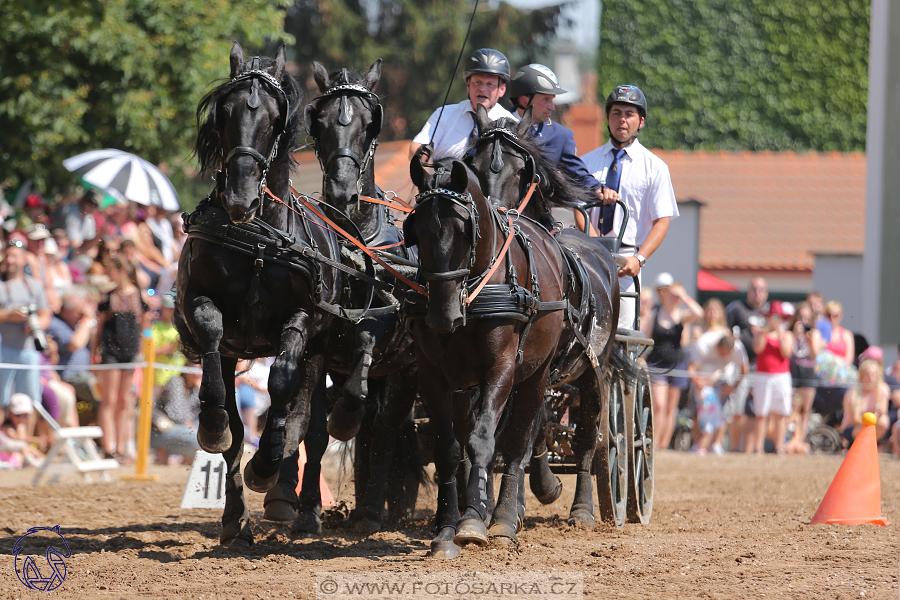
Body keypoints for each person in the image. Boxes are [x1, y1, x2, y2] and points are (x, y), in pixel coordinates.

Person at [579, 85, 679, 330]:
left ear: (641, 121)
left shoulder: (655, 168)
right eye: (616, 113)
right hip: (587, 257)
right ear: (607, 118)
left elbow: (662, 221)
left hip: (626, 262)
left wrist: (639, 258)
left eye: (629, 113)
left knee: (620, 336)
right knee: (579, 328)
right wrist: (592, 244)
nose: (621, 119)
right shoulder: (585, 162)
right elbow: (578, 208)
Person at [506, 64, 603, 203]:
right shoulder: (497, 126)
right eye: (546, 100)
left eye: (552, 99)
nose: (552, 107)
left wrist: (599, 190)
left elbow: (577, 174)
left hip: (538, 220)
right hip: (498, 216)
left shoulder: (561, 136)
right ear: (525, 100)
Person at [409, 48, 518, 161]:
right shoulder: (444, 114)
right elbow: (418, 145)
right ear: (468, 86)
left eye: (490, 84)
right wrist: (420, 160)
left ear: (502, 90)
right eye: (477, 82)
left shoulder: (511, 124)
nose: (482, 88)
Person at [92, 255, 149, 461]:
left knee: (125, 401)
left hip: (130, 351)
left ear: (121, 271)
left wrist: (141, 348)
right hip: (110, 351)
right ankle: (109, 447)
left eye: (111, 271)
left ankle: (123, 448)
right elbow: (98, 328)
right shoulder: (107, 297)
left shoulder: (139, 297)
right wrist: (95, 352)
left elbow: (144, 324)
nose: (108, 275)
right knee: (109, 400)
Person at [641, 273, 703, 450]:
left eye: (677, 295)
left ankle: (663, 444)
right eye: (671, 294)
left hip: (677, 365)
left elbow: (699, 313)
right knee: (659, 405)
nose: (674, 298)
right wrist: (640, 361)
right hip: (656, 364)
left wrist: (684, 296)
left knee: (671, 408)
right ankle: (654, 441)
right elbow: (645, 338)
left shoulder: (682, 315)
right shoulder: (655, 313)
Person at [0, 238, 52, 412]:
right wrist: (8, 315)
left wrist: (36, 326)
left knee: (31, 400)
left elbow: (45, 313)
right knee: (2, 399)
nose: (10, 260)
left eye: (14, 256)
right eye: (7, 256)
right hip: (4, 349)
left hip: (28, 349)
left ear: (23, 259)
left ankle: (26, 437)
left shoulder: (33, 286)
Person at [724, 277, 768, 451]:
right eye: (754, 289)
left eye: (761, 289)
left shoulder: (769, 312)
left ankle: (749, 450)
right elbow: (726, 332)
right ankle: (735, 448)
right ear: (748, 291)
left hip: (763, 368)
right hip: (740, 366)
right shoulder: (736, 308)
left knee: (754, 411)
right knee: (737, 409)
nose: (758, 293)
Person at [687, 331, 749, 455]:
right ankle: (698, 444)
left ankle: (716, 444)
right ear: (717, 346)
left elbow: (744, 369)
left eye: (727, 353)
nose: (724, 355)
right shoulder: (704, 344)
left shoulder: (738, 349)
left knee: (721, 415)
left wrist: (733, 387)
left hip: (722, 381)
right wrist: (698, 381)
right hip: (701, 381)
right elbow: (691, 369)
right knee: (697, 414)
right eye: (722, 352)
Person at [749, 301, 794, 454]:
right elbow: (758, 348)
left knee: (781, 413)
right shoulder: (761, 333)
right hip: (763, 376)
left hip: (781, 376)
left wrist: (779, 333)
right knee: (761, 413)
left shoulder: (787, 335)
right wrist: (766, 331)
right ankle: (758, 447)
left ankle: (779, 446)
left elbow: (786, 352)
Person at [45, 286, 100, 407]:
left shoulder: (77, 326)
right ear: (66, 311)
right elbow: (76, 344)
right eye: (79, 313)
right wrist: (86, 320)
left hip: (84, 375)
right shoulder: (55, 324)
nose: (81, 316)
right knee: (101, 391)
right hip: (68, 377)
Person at [784, 302, 825, 454]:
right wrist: (795, 335)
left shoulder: (815, 333)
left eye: (806, 317)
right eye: (800, 317)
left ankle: (800, 441)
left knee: (805, 410)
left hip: (807, 371)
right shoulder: (789, 332)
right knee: (789, 408)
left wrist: (809, 339)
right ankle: (787, 441)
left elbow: (814, 355)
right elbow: (787, 353)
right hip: (792, 370)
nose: (803, 320)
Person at [151, 369, 201, 465]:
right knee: (197, 437)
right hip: (161, 430)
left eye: (199, 370)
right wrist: (191, 427)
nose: (197, 374)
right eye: (193, 370)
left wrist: (201, 391)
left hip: (183, 427)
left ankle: (185, 458)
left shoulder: (195, 387)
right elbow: (174, 413)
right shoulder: (176, 382)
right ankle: (163, 451)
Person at [842, 359, 890, 446]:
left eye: (873, 374)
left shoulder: (883, 390)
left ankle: (872, 446)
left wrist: (879, 414)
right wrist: (871, 422)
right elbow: (855, 419)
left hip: (872, 426)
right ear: (861, 376)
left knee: (884, 421)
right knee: (869, 427)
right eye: (867, 374)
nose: (870, 378)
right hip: (853, 428)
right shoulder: (852, 393)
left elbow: (883, 412)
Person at [823, 300, 854, 367]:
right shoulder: (820, 333)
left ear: (840, 316)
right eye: (829, 315)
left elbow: (849, 359)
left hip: (841, 372)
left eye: (835, 315)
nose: (832, 318)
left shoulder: (847, 335)